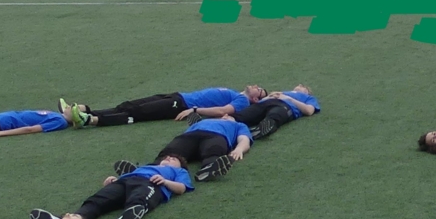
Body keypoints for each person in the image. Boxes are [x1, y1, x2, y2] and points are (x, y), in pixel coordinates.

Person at [30, 156, 193, 219]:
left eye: (173, 159)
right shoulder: (147, 166)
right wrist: (115, 180)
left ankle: (128, 216)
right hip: (125, 181)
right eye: (166, 157)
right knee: (99, 200)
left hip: (150, 184)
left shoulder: (179, 171)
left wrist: (165, 181)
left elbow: (181, 188)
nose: (168, 159)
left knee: (140, 197)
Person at [59, 85, 265, 129]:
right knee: (130, 105)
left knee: (137, 113)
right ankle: (82, 113)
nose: (256, 87)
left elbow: (223, 112)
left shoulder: (242, 101)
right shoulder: (237, 93)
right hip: (178, 96)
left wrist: (194, 110)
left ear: (255, 100)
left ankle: (90, 119)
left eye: (260, 90)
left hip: (181, 104)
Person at [161, 116, 252, 181]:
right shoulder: (204, 121)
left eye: (230, 115)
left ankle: (208, 169)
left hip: (216, 136)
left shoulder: (239, 125)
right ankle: (158, 168)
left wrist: (239, 149)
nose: (226, 115)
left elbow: (244, 139)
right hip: (191, 136)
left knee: (213, 150)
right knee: (170, 153)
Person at [243, 87, 320, 141]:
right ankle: (233, 123)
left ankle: (257, 131)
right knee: (243, 115)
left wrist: (288, 99)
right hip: (266, 102)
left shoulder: (308, 98)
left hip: (285, 106)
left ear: (307, 92)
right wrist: (269, 97)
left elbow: (309, 111)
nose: (299, 85)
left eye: (303, 86)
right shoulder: (283, 92)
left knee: (274, 115)